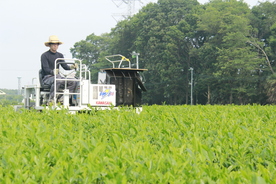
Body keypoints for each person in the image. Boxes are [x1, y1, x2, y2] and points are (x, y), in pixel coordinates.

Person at [41, 35, 78, 104]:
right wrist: (52, 72)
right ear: (49, 45)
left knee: (73, 81)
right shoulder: (44, 55)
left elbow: (65, 66)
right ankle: (51, 100)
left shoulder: (60, 55)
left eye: (57, 44)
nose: (55, 45)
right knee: (58, 78)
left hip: (58, 77)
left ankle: (62, 99)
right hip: (47, 78)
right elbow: (45, 69)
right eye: (53, 44)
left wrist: (71, 67)